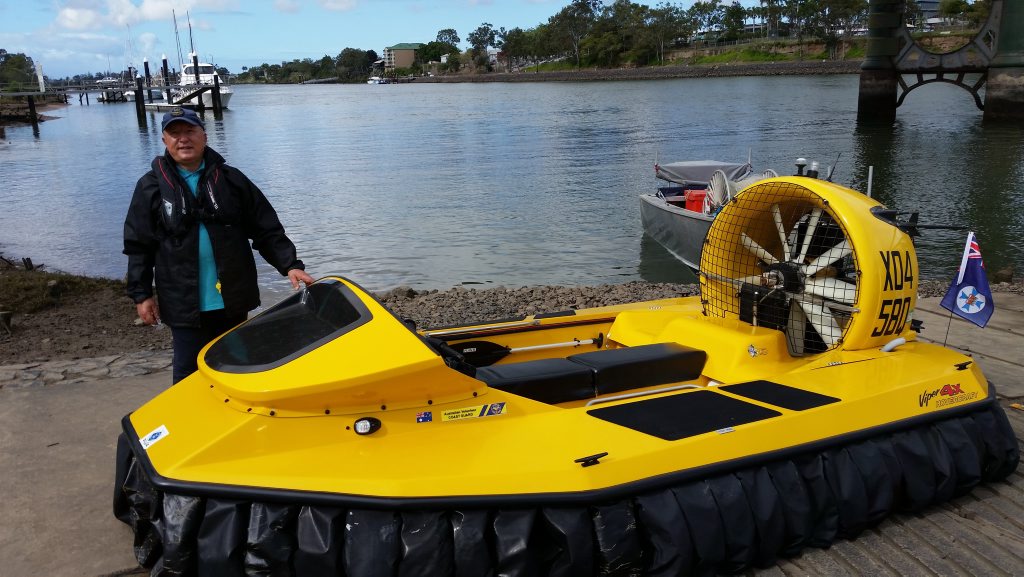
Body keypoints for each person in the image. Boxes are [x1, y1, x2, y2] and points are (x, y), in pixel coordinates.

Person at [124, 106, 314, 383]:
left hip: (232, 298)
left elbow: (266, 228)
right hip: (181, 301)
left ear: (204, 136)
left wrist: (290, 265)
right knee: (188, 372)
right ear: (165, 141)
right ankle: (189, 423)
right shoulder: (149, 187)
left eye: (190, 131)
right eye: (174, 133)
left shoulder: (231, 180)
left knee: (237, 365)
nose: (183, 139)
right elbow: (138, 244)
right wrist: (141, 295)